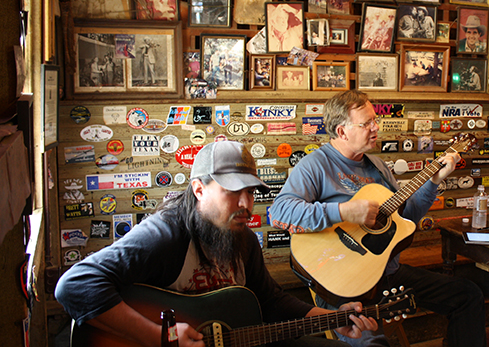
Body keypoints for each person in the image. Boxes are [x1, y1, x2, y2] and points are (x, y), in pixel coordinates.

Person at [55, 141, 378, 347]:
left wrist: (332, 317)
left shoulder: (244, 239)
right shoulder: (164, 234)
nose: (246, 203)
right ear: (199, 189)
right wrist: (158, 337)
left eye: (251, 191)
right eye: (233, 191)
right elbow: (74, 285)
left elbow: (269, 300)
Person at [270, 91, 487, 347]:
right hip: (343, 282)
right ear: (342, 132)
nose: (376, 128)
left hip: (388, 274)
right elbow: (280, 212)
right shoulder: (315, 165)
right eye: (366, 123)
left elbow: (404, 221)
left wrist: (434, 182)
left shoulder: (378, 167)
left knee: (468, 295)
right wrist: (345, 212)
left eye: (375, 120)